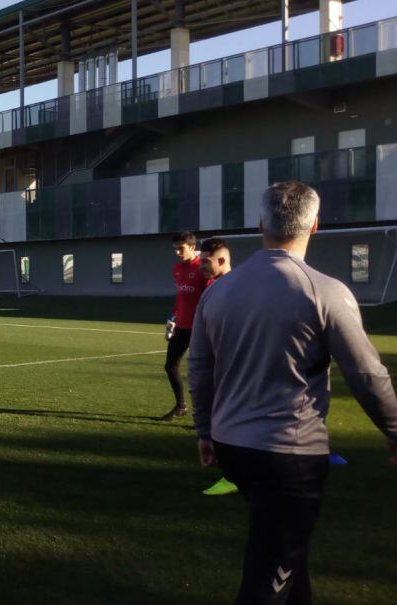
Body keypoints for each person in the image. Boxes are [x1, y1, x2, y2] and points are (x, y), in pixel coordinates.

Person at [189, 181, 397, 604]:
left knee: (287, 557)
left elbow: (200, 368)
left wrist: (205, 430)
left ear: (260, 222)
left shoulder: (219, 291)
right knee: (272, 570)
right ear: (316, 225)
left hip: (234, 448)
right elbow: (367, 375)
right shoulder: (326, 291)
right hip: (290, 456)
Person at [195, 238, 238, 497]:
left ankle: (233, 475)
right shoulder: (217, 287)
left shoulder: (228, 289)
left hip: (230, 368)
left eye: (206, 261)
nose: (201, 265)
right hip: (228, 366)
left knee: (226, 418)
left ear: (221, 260)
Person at [161, 231, 206, 421]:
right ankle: (181, 406)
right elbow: (181, 297)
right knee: (170, 366)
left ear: (192, 247)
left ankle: (204, 416)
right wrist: (172, 318)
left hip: (199, 329)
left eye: (181, 248)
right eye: (175, 249)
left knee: (200, 373)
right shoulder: (176, 269)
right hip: (181, 327)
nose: (178, 252)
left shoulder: (203, 268)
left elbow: (209, 298)